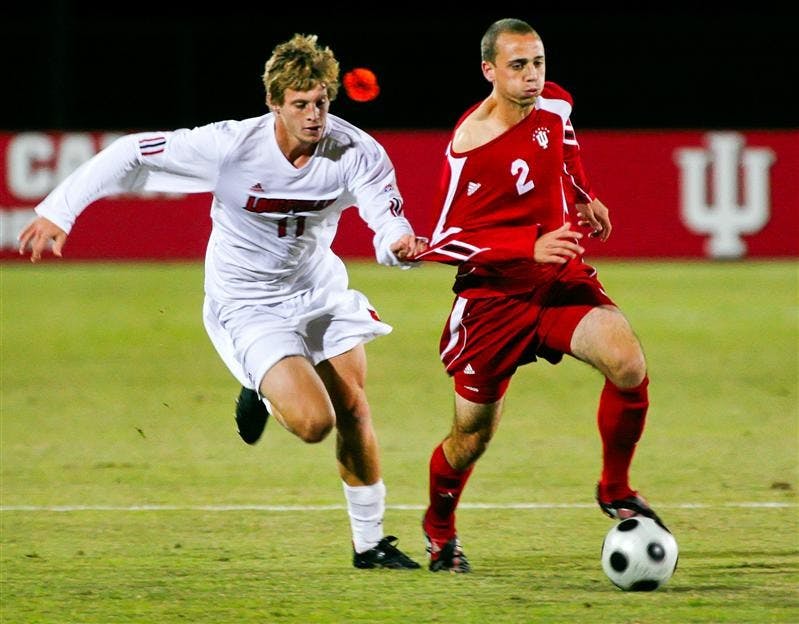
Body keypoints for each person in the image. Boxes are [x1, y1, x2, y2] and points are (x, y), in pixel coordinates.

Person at [18, 33, 427, 570]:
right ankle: (260, 387)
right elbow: (127, 152)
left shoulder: (356, 151)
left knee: (353, 407)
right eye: (299, 104)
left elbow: (387, 221)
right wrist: (60, 211)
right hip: (247, 300)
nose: (312, 115)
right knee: (313, 422)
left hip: (318, 291)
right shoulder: (231, 145)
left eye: (321, 102)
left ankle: (370, 544)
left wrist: (398, 248)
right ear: (274, 104)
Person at [412, 18, 667, 573]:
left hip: (556, 281)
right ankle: (439, 529)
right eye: (518, 66)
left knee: (627, 361)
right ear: (489, 71)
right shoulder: (468, 145)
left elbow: (566, 145)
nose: (532, 77)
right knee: (470, 437)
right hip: (493, 301)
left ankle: (615, 488)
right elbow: (447, 241)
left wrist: (584, 195)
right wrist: (528, 244)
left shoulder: (554, 104)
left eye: (538, 63)